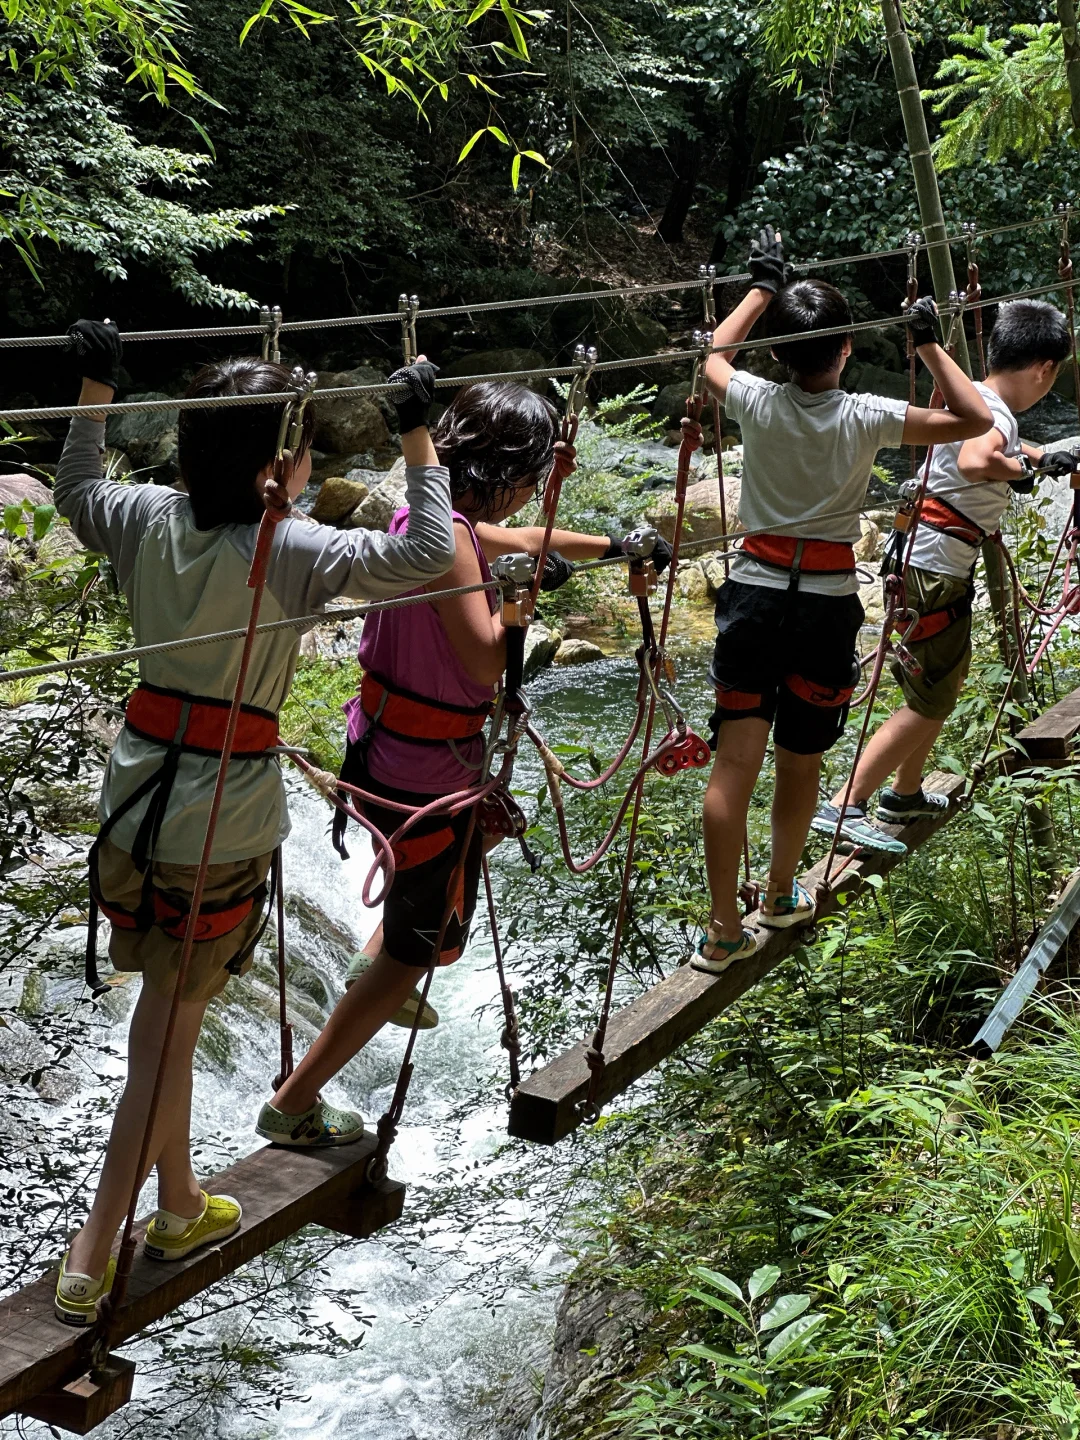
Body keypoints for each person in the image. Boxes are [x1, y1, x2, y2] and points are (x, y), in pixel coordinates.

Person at [52, 322, 456, 1325]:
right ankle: (98, 1242)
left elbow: (71, 492)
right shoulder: (292, 549)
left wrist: (97, 389)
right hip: (219, 826)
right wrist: (418, 439)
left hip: (133, 811)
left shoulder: (146, 515)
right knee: (166, 1028)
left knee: (172, 1014)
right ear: (283, 463)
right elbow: (430, 552)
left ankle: (181, 1203)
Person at [257, 378, 672, 1142]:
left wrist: (618, 548)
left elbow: (522, 545)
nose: (531, 500)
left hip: (387, 749)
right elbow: (485, 661)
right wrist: (518, 606)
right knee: (415, 952)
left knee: (453, 868)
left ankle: (376, 961)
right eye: (533, 480)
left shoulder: (433, 519)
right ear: (510, 475)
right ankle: (292, 1102)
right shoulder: (448, 538)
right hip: (422, 772)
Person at [694, 227, 993, 975]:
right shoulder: (864, 414)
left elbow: (710, 359)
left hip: (753, 597)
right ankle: (784, 893)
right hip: (825, 607)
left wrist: (760, 289)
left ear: (781, 356)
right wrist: (927, 344)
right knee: (800, 766)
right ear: (848, 350)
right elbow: (974, 420)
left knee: (732, 768)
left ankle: (722, 928)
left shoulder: (758, 400)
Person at [811, 299, 1077, 854]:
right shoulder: (996, 415)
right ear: (1044, 368)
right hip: (936, 567)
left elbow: (987, 448)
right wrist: (1024, 468)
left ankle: (903, 792)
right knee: (930, 699)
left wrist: (1040, 453)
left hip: (920, 560)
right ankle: (843, 806)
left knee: (939, 686)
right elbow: (979, 462)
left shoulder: (976, 400)